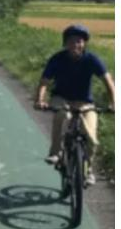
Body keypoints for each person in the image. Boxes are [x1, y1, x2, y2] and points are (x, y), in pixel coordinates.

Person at [34, 24, 115, 185]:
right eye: (71, 41)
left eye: (79, 41)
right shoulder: (57, 59)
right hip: (61, 98)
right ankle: (56, 153)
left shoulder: (92, 59)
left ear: (84, 44)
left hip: (85, 102)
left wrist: (114, 102)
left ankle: (88, 170)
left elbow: (108, 82)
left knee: (91, 137)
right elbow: (44, 83)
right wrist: (40, 100)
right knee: (62, 115)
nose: (75, 45)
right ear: (65, 43)